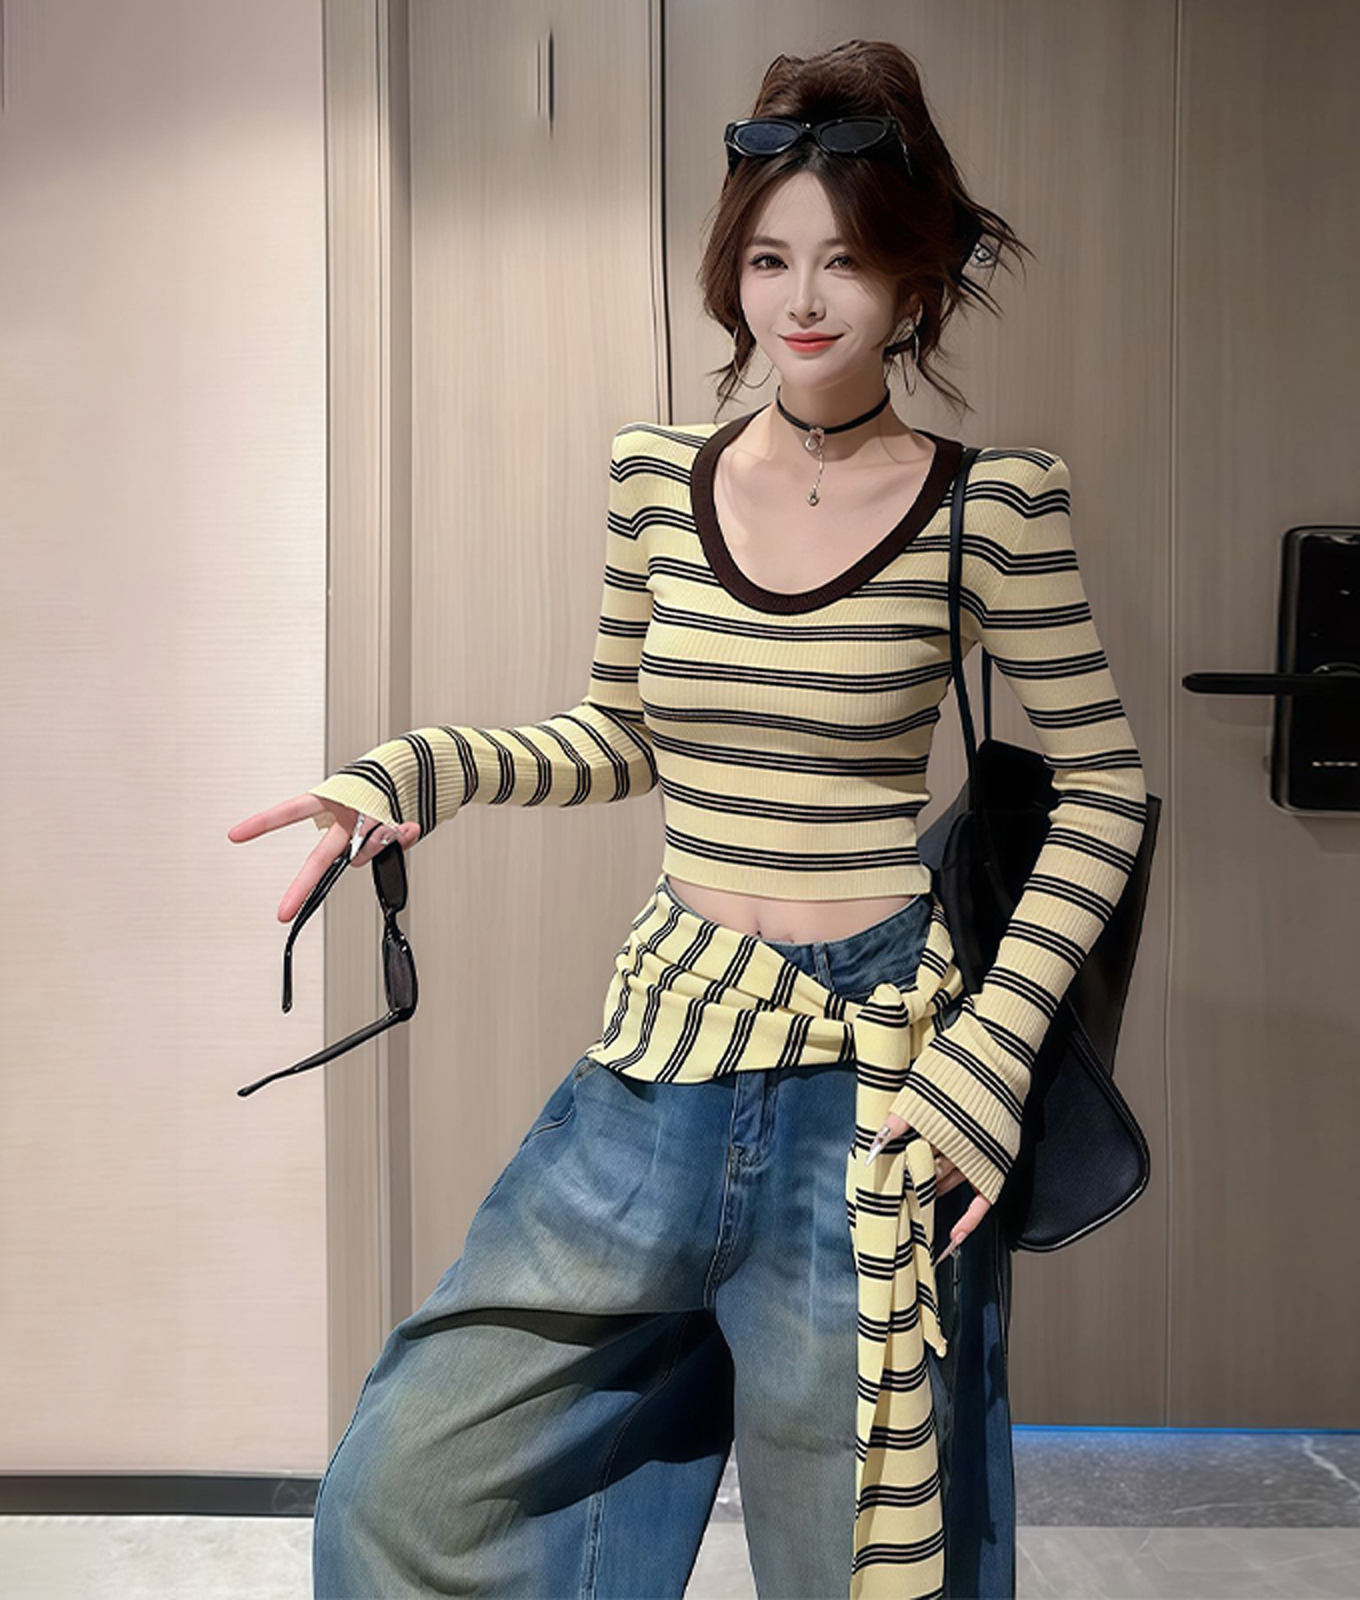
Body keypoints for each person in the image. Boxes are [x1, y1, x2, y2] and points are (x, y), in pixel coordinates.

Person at [228, 38, 1145, 1600]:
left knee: (857, 1561)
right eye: (771, 258)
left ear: (913, 280)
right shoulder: (660, 480)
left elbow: (1103, 788)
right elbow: (620, 737)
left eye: (845, 260)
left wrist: (992, 1057)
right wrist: (417, 772)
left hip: (876, 1085)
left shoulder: (991, 507)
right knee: (410, 1487)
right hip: (665, 1047)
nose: (804, 299)